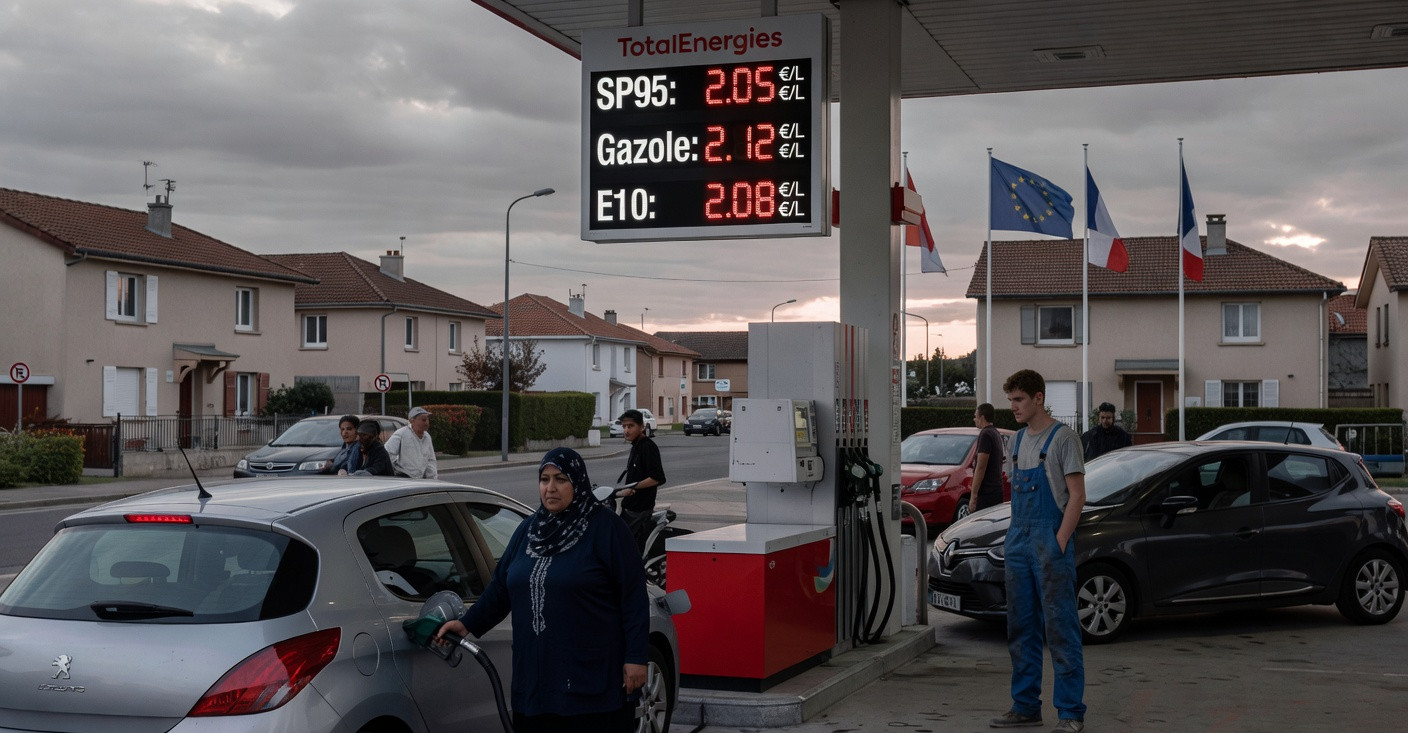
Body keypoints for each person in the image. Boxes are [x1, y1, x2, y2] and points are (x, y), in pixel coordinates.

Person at [434, 447, 648, 733]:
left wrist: (636, 657)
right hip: (535, 678)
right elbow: (501, 588)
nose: (551, 488)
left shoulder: (607, 529)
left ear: (578, 482)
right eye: (544, 479)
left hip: (591, 678)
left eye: (560, 479)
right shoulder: (528, 531)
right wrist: (467, 623)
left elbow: (633, 597)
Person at [992, 369, 1086, 733]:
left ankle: (1070, 713)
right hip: (1018, 541)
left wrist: (1059, 541)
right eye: (1011, 400)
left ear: (1039, 398)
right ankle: (1025, 705)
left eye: (1019, 400)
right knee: (1021, 627)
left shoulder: (1064, 439)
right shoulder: (1014, 441)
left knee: (1061, 628)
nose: (1013, 407)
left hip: (1050, 542)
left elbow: (1077, 496)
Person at [615, 409, 667, 552]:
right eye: (624, 426)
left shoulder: (648, 447)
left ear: (641, 427)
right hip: (631, 506)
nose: (626, 430)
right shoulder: (635, 446)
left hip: (640, 509)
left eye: (630, 426)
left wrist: (635, 487)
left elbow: (657, 478)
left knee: (622, 544)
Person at [968, 403, 1006, 515]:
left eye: (976, 416)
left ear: (982, 417)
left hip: (986, 493)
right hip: (996, 490)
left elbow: (981, 466)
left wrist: (974, 495)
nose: (974, 419)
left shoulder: (985, 434)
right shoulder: (996, 433)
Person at [387, 406, 438, 478]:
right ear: (412, 421)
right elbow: (388, 453)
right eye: (423, 420)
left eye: (427, 420)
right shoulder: (401, 434)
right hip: (404, 477)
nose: (427, 423)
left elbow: (431, 459)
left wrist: (432, 477)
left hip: (421, 479)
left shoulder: (427, 437)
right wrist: (395, 470)